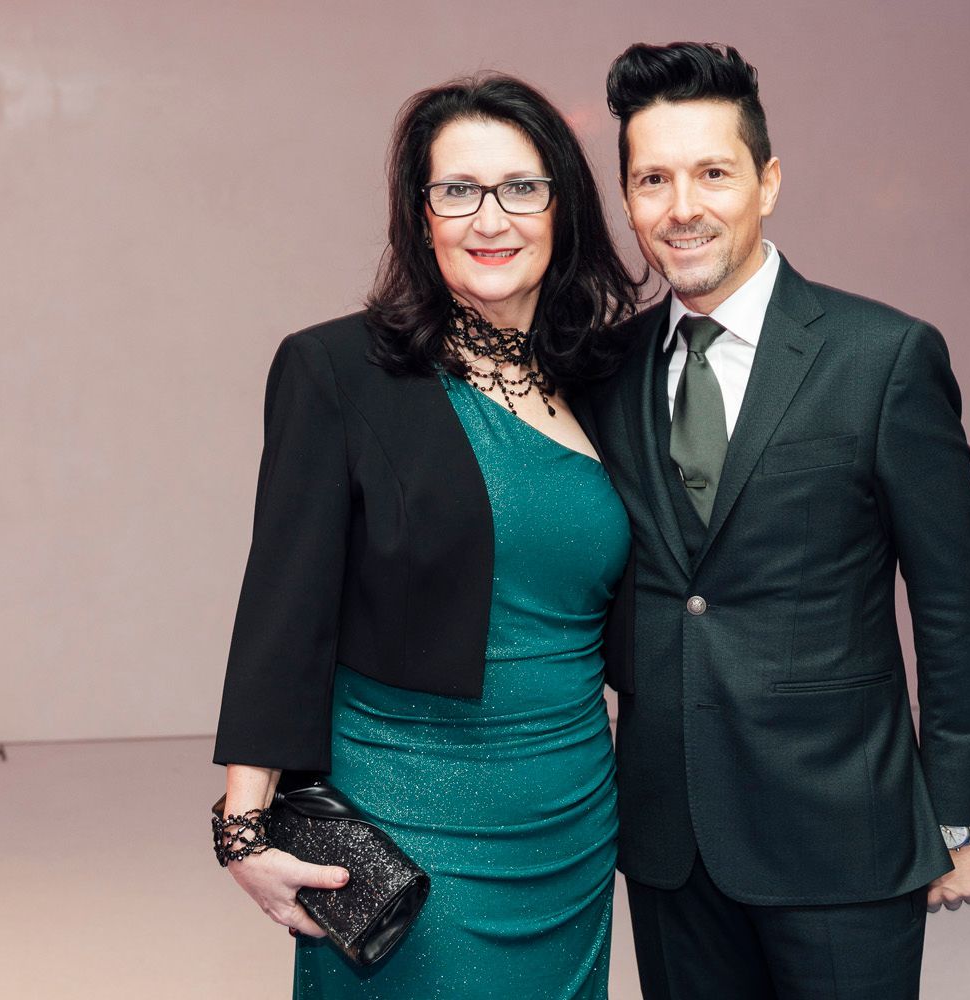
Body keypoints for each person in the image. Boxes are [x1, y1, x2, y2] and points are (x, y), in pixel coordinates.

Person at [581, 42, 970, 999]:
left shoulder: (882, 356)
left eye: (712, 173)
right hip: (669, 838)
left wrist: (954, 812)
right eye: (652, 179)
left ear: (767, 183)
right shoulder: (605, 369)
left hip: (843, 828)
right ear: (630, 200)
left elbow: (953, 600)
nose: (681, 207)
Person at [211, 74, 637, 999]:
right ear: (420, 214)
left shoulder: (606, 377)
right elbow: (285, 608)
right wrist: (243, 827)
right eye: (458, 190)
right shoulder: (338, 371)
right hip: (411, 823)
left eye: (521, 188)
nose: (491, 218)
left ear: (563, 206)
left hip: (571, 821)